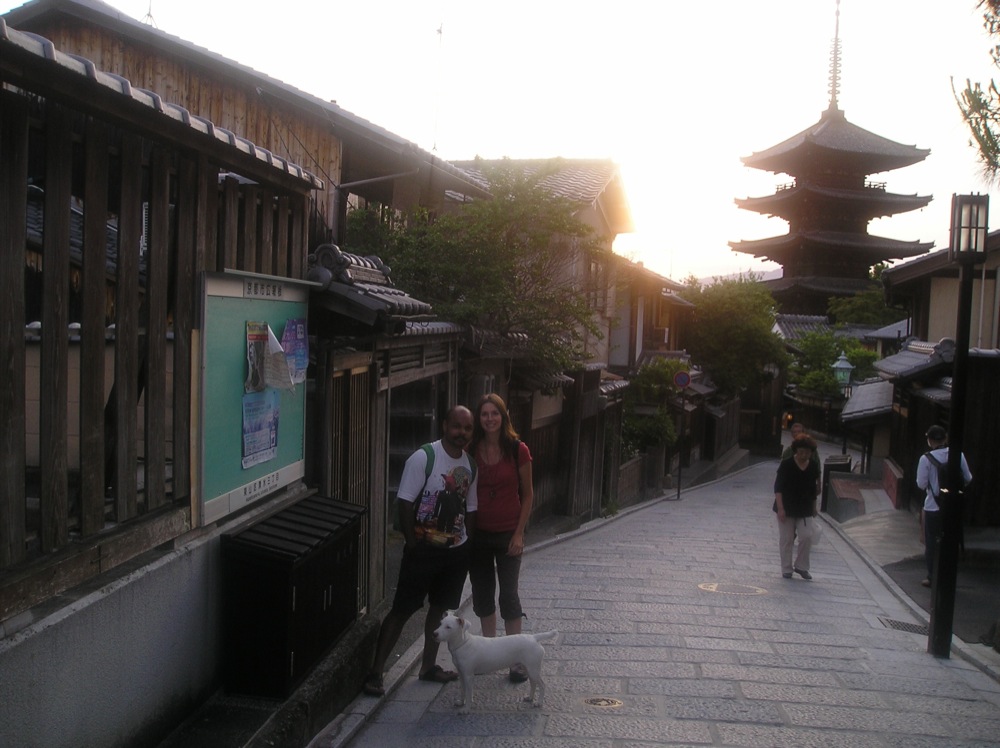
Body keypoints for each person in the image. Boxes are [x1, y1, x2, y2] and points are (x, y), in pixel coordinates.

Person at [363, 406, 478, 696]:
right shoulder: (424, 457)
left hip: (455, 551)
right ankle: (375, 673)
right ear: (444, 426)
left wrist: (468, 546)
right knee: (403, 609)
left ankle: (428, 667)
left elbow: (471, 508)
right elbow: (404, 503)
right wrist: (413, 546)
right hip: (422, 549)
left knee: (439, 609)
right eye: (456, 426)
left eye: (467, 428)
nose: (461, 433)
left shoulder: (470, 466)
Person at [468, 393, 534, 683]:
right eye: (484, 414)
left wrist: (519, 533)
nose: (490, 419)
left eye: (495, 413)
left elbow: (528, 493)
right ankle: (489, 654)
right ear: (478, 419)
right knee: (482, 595)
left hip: (508, 532)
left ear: (503, 417)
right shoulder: (471, 450)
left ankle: (516, 658)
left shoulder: (518, 449)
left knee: (509, 595)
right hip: (479, 533)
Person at [915, 424, 972, 588]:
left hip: (933, 506)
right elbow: (968, 478)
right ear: (945, 438)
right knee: (951, 541)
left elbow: (921, 483)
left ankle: (932, 576)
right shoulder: (958, 455)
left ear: (929, 440)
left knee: (932, 542)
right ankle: (949, 576)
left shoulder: (926, 459)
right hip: (953, 507)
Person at [773, 433, 822, 580]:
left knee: (806, 536)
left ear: (811, 453)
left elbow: (813, 490)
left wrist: (814, 507)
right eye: (801, 452)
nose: (804, 455)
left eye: (807, 452)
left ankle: (801, 566)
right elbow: (778, 487)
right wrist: (781, 508)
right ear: (796, 451)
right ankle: (786, 568)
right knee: (787, 538)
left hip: (805, 507)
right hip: (786, 506)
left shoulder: (812, 466)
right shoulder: (787, 464)